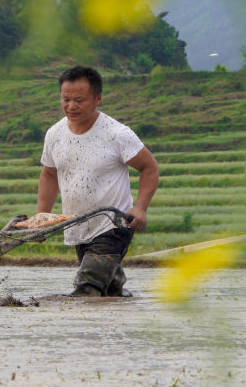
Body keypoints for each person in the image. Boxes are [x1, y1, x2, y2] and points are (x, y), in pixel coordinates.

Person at [37, 65, 159, 296]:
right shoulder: (55, 134)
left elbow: (149, 167)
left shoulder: (117, 134)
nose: (71, 106)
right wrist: (41, 215)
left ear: (97, 99)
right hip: (78, 224)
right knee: (109, 292)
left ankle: (78, 328)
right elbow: (49, 174)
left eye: (79, 100)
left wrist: (141, 207)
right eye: (66, 99)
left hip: (113, 224)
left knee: (87, 288)